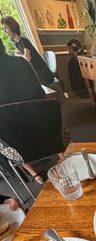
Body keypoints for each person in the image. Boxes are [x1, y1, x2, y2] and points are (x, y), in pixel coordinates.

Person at [0, 38, 44, 184]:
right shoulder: (21, 63)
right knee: (51, 112)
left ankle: (34, 173)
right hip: (42, 126)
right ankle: (62, 155)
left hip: (14, 139)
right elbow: (41, 94)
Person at [1, 15, 54, 86]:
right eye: (3, 28)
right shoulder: (17, 42)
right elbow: (22, 54)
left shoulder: (23, 41)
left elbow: (27, 59)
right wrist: (19, 54)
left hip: (43, 76)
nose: (4, 31)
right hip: (37, 74)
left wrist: (19, 58)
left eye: (6, 28)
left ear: (12, 27)